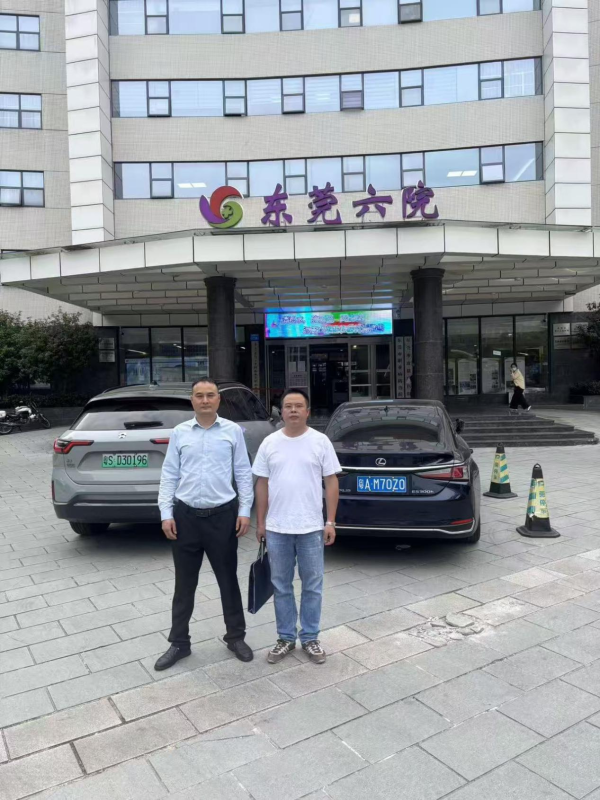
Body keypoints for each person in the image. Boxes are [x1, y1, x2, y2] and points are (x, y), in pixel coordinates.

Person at [154, 378, 254, 670]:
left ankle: (235, 637)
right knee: (184, 585)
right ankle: (179, 643)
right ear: (192, 400)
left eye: (211, 395)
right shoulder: (180, 433)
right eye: (200, 395)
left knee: (228, 581)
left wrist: (244, 511)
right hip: (185, 518)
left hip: (223, 517)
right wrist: (166, 513)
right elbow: (169, 474)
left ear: (218, 400)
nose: (205, 400)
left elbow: (243, 472)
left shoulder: (233, 431)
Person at [253, 388, 340, 665]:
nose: (293, 410)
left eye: (298, 406)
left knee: (313, 585)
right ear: (281, 411)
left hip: (311, 527)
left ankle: (310, 637)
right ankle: (286, 638)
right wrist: (261, 522)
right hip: (277, 527)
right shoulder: (270, 443)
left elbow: (331, 482)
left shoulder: (320, 441)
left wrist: (330, 521)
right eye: (288, 406)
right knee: (281, 585)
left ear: (307, 411)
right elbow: (262, 484)